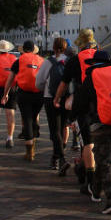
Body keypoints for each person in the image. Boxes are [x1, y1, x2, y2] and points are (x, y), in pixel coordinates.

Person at [74, 49, 111, 215]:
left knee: (104, 161)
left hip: (99, 122)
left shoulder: (93, 76)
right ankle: (95, 190)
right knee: (107, 158)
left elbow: (80, 101)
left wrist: (74, 117)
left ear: (94, 63)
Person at [54, 29, 99, 199]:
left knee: (87, 143)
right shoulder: (102, 56)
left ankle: (90, 180)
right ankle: (98, 174)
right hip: (102, 103)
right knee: (98, 141)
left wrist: (57, 99)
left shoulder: (75, 60)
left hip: (83, 104)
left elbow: (64, 84)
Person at [1, 40, 44, 162]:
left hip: (24, 94)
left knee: (27, 119)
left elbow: (10, 79)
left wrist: (5, 94)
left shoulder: (19, 61)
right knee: (34, 117)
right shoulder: (41, 60)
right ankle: (34, 138)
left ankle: (29, 151)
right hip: (39, 94)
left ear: (24, 50)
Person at [38, 37, 72, 174]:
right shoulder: (70, 61)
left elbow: (38, 82)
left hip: (50, 97)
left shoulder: (49, 61)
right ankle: (56, 156)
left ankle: (60, 158)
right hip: (66, 97)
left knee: (54, 130)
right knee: (63, 127)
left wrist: (45, 88)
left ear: (53, 47)